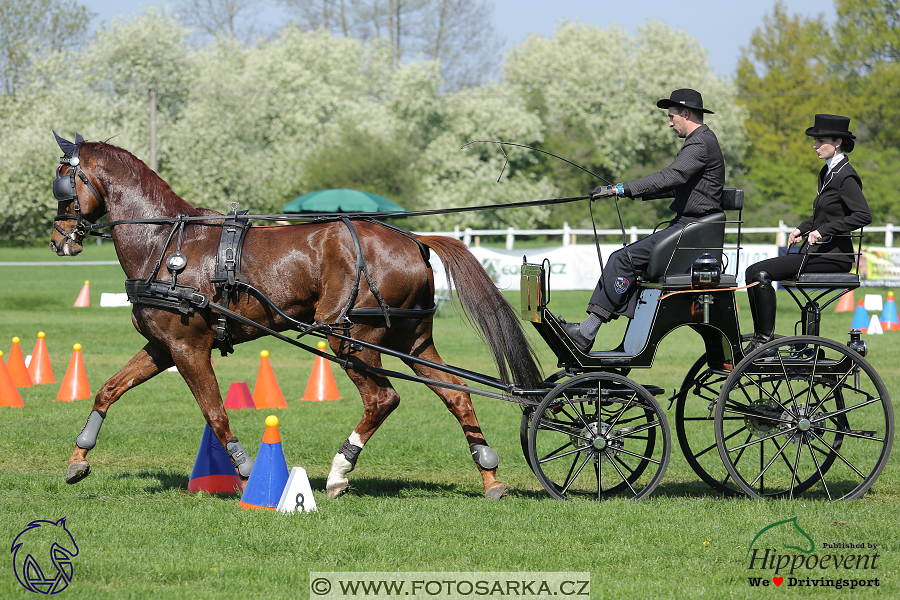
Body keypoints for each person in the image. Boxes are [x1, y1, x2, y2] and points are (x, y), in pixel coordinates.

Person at [563, 88, 725, 352]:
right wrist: (627, 194)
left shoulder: (699, 143)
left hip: (693, 228)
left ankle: (586, 332)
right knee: (628, 260)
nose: (670, 122)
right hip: (688, 226)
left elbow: (672, 176)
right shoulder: (702, 141)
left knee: (622, 259)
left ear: (686, 113)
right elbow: (677, 185)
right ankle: (611, 339)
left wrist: (621, 188)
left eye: (672, 116)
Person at [743, 114, 872, 353]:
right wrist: (802, 228)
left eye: (820, 140)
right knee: (753, 272)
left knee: (758, 273)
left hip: (834, 258)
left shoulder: (846, 175)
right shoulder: (827, 172)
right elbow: (824, 214)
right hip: (817, 253)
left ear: (837, 142)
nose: (814, 146)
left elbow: (863, 215)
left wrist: (823, 231)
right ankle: (770, 339)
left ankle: (765, 340)